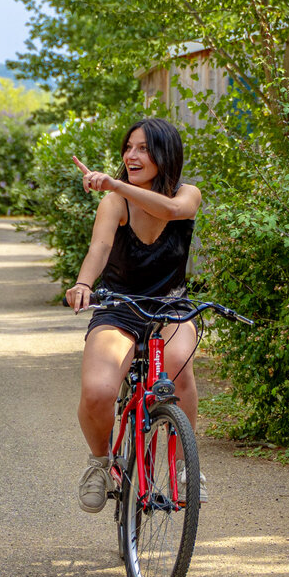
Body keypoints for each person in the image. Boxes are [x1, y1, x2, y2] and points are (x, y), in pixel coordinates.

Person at [65, 117, 203, 513]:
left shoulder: (187, 194)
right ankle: (99, 462)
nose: (131, 155)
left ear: (164, 154)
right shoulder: (115, 202)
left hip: (171, 305)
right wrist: (84, 284)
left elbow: (174, 209)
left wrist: (114, 182)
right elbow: (99, 249)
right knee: (98, 391)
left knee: (177, 365)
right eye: (128, 147)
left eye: (142, 148)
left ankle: (184, 468)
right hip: (119, 306)